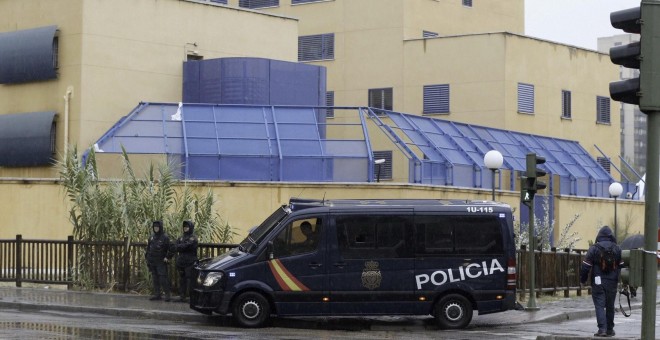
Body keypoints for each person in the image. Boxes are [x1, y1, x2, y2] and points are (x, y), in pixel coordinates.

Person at [580, 226, 624, 337]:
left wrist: (583, 280)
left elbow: (585, 266)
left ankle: (602, 329)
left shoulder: (594, 248)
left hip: (597, 282)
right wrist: (621, 280)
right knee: (610, 306)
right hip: (612, 282)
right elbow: (622, 266)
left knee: (599, 305)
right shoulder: (617, 248)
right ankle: (610, 329)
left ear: (599, 236)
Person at [146, 220, 173, 301]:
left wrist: (167, 257)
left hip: (161, 261)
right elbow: (148, 248)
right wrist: (147, 258)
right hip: (152, 261)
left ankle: (167, 295)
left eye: (157, 227)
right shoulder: (151, 237)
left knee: (163, 278)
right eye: (154, 227)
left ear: (160, 227)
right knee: (155, 278)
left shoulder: (165, 237)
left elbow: (171, 248)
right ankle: (157, 294)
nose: (156, 228)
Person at [174, 220, 198, 302]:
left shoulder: (193, 237)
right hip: (181, 262)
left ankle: (192, 297)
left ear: (190, 227)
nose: (185, 228)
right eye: (184, 227)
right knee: (182, 279)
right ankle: (182, 296)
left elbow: (186, 246)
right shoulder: (181, 237)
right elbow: (175, 246)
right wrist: (180, 246)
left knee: (190, 280)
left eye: (187, 227)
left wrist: (180, 246)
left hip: (190, 262)